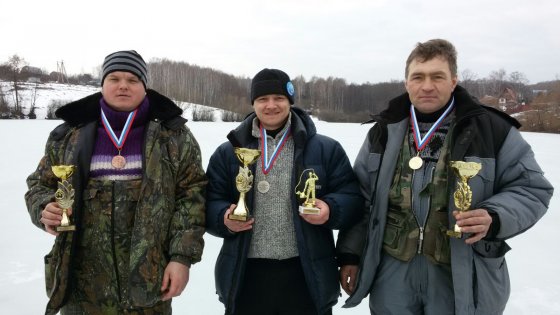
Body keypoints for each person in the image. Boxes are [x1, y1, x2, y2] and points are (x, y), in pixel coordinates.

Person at [336, 39, 554, 315]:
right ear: (406, 83)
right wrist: (350, 254)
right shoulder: (383, 132)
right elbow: (362, 199)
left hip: (460, 271)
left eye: (437, 76)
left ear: (453, 81)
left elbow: (532, 189)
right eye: (418, 77)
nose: (427, 86)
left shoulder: (492, 130)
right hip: (391, 272)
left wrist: (495, 216)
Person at [25, 50, 207, 315]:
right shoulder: (68, 135)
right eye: (114, 78)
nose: (123, 85)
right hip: (81, 285)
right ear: (103, 84)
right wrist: (44, 208)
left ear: (145, 87)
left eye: (133, 79)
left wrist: (182, 258)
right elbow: (39, 185)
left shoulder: (174, 136)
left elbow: (192, 196)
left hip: (149, 282)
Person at [205, 68, 363, 315]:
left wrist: (330, 209)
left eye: (278, 98)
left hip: (306, 274)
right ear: (253, 103)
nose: (271, 106)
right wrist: (223, 218)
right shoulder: (229, 152)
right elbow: (208, 200)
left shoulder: (325, 149)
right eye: (262, 99)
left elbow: (353, 198)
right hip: (245, 274)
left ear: (290, 101)